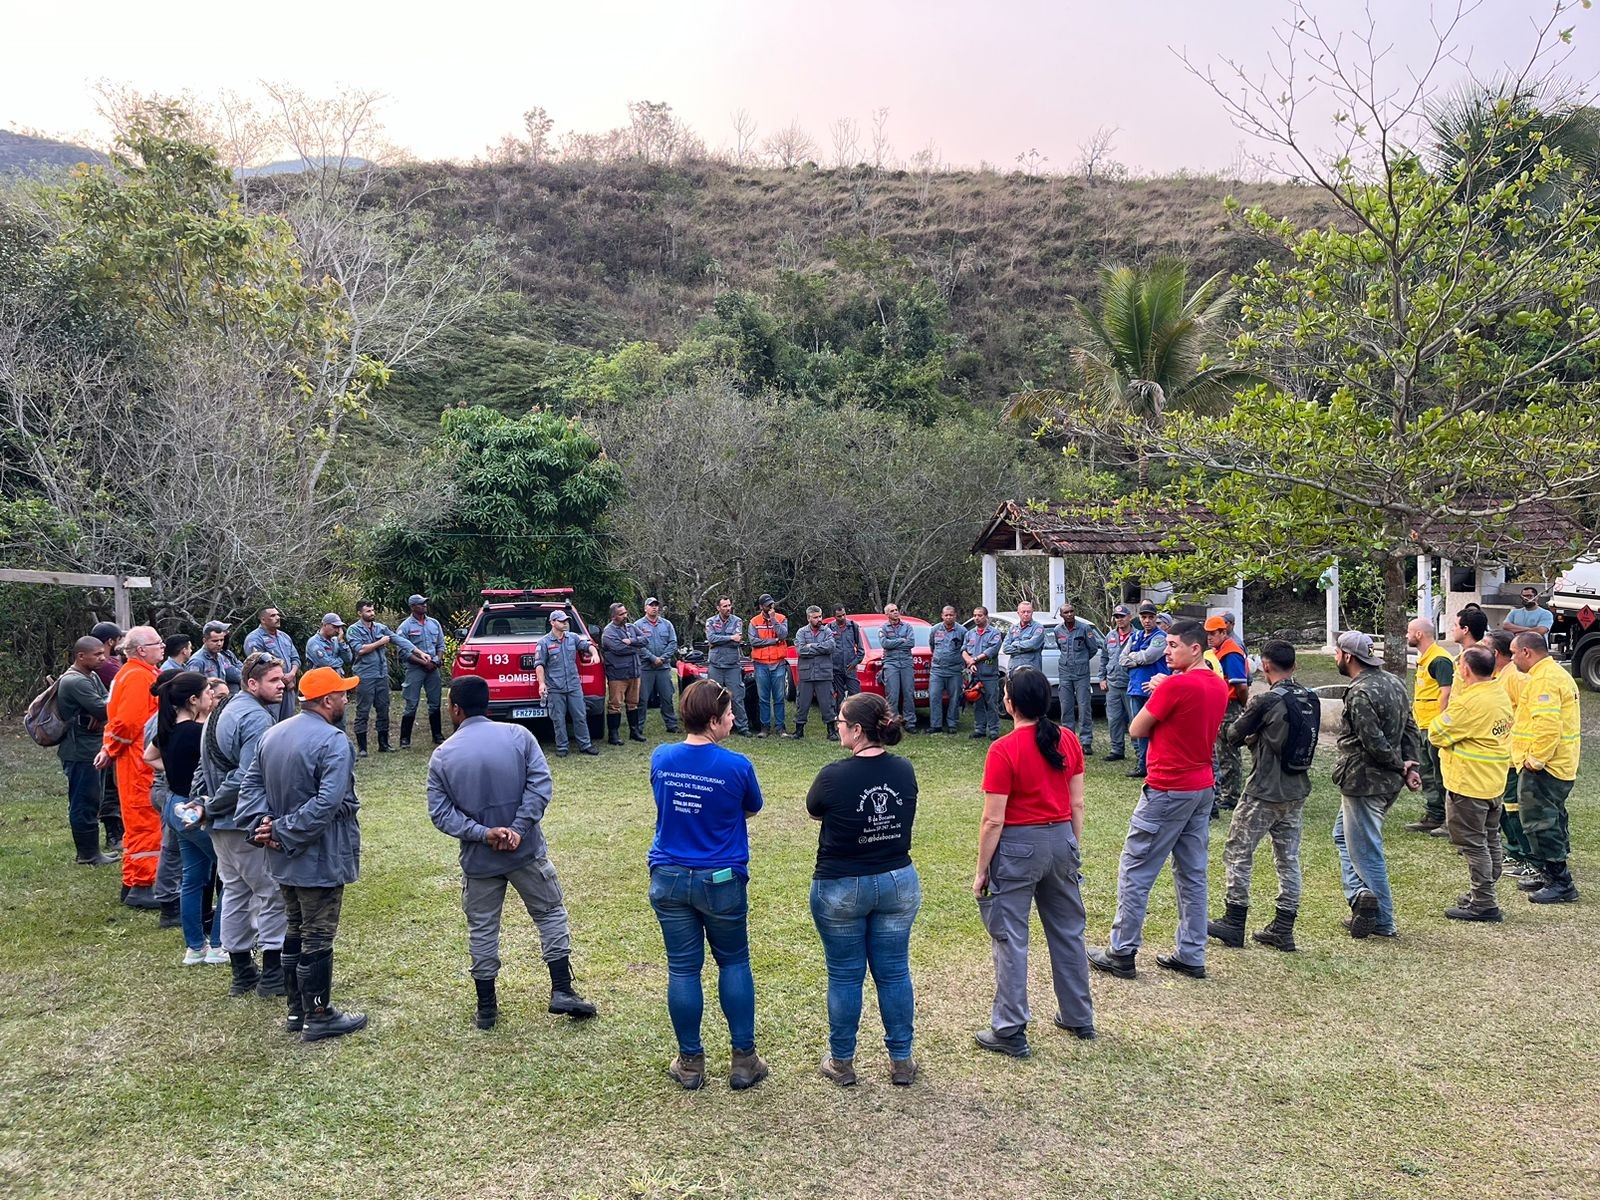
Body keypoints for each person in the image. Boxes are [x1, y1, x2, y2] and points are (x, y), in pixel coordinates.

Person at [427, 675, 598, 1029]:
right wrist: (518, 830)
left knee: (483, 928)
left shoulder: (443, 755)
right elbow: (540, 786)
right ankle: (562, 989)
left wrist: (483, 833)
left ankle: (487, 1007)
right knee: (550, 913)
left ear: (455, 709)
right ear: (487, 704)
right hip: (526, 853)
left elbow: (441, 813)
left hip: (479, 859)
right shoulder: (519, 737)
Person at [1089, 619, 1228, 981]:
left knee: (1136, 868)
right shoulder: (1216, 683)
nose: (1166, 652)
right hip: (1201, 786)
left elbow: (1136, 728)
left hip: (1168, 788)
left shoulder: (1174, 687)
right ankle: (1191, 953)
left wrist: (1159, 691)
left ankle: (1121, 950)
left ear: (1194, 648)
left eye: (1172, 646)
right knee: (1193, 873)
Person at [647, 680, 768, 1091]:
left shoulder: (661, 758)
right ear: (713, 721)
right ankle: (743, 1060)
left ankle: (691, 1062)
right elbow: (750, 807)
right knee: (733, 962)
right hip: (720, 879)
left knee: (683, 969)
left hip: (669, 876)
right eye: (730, 713)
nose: (734, 718)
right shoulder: (736, 766)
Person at [237, 667, 367, 1042]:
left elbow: (250, 787)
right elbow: (328, 802)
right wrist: (282, 830)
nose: (346, 699)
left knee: (295, 928)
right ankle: (319, 1014)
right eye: (342, 694)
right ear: (327, 700)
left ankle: (298, 1011)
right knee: (318, 935)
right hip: (318, 855)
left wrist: (264, 826)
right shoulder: (333, 741)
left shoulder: (272, 734)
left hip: (283, 858)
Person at [972, 668, 1093, 1057]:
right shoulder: (1069, 740)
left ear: (1009, 703)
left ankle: (1009, 1028)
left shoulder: (1003, 749)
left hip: (1019, 847)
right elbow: (1076, 803)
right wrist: (1071, 845)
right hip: (1061, 839)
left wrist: (981, 871)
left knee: (1010, 938)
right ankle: (1078, 1015)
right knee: (1068, 932)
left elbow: (994, 819)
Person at [805, 692, 921, 1086]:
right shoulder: (904, 770)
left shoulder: (833, 775)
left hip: (841, 885)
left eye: (840, 721)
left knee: (844, 975)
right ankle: (901, 1060)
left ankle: (841, 1062)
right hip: (896, 881)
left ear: (856, 730)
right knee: (893, 973)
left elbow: (814, 808)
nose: (837, 726)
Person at [1207, 640, 1314, 952]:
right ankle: (1284, 926)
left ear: (1264, 666)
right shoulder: (1310, 698)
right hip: (1296, 789)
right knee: (1288, 859)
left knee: (1238, 850)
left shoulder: (1266, 700)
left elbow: (1232, 735)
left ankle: (1233, 920)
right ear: (1294, 665)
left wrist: (1254, 734)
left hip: (1264, 790)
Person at [201, 651, 290, 1000]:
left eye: (282, 678)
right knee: (270, 893)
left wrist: (202, 803)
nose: (282, 684)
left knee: (235, 892)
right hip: (243, 821)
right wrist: (212, 805)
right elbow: (246, 776)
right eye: (274, 680)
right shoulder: (255, 719)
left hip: (221, 824)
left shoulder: (221, 709)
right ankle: (271, 973)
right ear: (252, 683)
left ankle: (241, 972)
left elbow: (203, 764)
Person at [1329, 631, 1422, 940]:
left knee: (1367, 851)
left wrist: (1400, 764)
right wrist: (1410, 765)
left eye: (1338, 653)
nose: (1336, 658)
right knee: (1342, 835)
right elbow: (1411, 727)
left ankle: (1381, 919)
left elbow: (1374, 742)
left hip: (1363, 781)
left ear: (1348, 657)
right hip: (1387, 781)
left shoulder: (1359, 692)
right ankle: (1360, 896)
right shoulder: (1394, 682)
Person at [145, 671, 227, 965]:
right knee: (229, 875)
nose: (211, 697)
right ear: (193, 700)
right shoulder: (199, 733)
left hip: (174, 806)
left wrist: (173, 770)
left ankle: (195, 947)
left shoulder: (167, 729)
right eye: (208, 692)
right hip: (196, 811)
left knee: (192, 878)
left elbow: (148, 757)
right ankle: (219, 944)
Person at [1427, 646, 1514, 922]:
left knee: (1474, 844)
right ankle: (1482, 892)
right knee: (1490, 838)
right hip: (1493, 783)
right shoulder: (1498, 693)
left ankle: (1484, 902)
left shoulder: (1468, 703)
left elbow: (1437, 733)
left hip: (1468, 785)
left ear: (1465, 670)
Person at [1509, 632, 1582, 903]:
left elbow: (1547, 726)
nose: (1512, 658)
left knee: (1542, 822)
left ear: (1527, 652)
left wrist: (1535, 760)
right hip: (1557, 762)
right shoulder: (1552, 674)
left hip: (1545, 766)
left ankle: (1560, 882)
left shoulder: (1545, 680)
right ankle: (1547, 873)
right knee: (1552, 817)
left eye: (1514, 653)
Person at [99, 625, 165, 909]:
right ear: (141, 650)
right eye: (157, 643)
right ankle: (143, 885)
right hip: (139, 762)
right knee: (145, 822)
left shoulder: (140, 673)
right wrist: (111, 749)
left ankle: (133, 881)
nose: (162, 647)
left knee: (142, 821)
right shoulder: (137, 676)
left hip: (139, 758)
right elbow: (127, 722)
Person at [57, 636, 116, 866]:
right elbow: (105, 708)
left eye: (103, 653)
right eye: (98, 654)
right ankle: (88, 854)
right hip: (80, 750)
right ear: (81, 656)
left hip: (91, 745)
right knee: (84, 801)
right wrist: (101, 711)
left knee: (94, 798)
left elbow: (107, 700)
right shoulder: (75, 681)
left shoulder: (90, 676)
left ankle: (91, 851)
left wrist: (102, 709)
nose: (103, 658)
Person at [1489, 631, 1534, 878]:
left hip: (1514, 754)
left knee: (1515, 808)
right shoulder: (1501, 676)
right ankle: (1516, 850)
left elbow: (1525, 713)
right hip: (1503, 753)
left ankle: (1528, 858)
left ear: (1495, 653)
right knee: (1506, 807)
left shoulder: (1515, 677)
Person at [1403, 617, 1454, 833]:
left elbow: (1447, 692)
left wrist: (1441, 722)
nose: (1406, 635)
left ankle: (1448, 820)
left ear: (1419, 635)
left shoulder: (1439, 659)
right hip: (1423, 724)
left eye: (1409, 632)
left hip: (1435, 726)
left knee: (1440, 773)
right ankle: (1434, 815)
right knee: (1427, 771)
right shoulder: (1424, 659)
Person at [347, 600, 414, 758]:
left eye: (372, 610)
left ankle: (383, 743)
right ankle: (362, 748)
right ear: (360, 613)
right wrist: (380, 642)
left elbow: (399, 640)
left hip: (381, 674)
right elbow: (360, 649)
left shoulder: (380, 628)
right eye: (368, 611)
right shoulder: (353, 630)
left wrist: (418, 652)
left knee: (383, 709)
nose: (372, 613)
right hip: (365, 675)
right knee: (363, 710)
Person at [534, 610, 599, 757]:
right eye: (561, 620)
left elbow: (587, 646)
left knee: (580, 716)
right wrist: (541, 684)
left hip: (573, 685)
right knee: (558, 719)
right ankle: (562, 747)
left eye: (566, 620)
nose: (565, 623)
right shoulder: (544, 642)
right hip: (555, 687)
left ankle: (585, 745)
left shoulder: (573, 638)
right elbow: (539, 665)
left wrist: (594, 653)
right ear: (552, 622)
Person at [1204, 616, 1251, 814]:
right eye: (1208, 633)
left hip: (1229, 706)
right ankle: (1226, 793)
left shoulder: (1231, 652)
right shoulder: (1219, 650)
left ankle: (1231, 796)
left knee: (1227, 752)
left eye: (1214, 633)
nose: (1209, 637)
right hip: (1221, 704)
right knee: (1220, 752)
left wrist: (1241, 704)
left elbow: (1240, 684)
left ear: (1224, 632)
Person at [1120, 602, 1170, 778]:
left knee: (1156, 729)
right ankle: (1143, 765)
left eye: (1151, 617)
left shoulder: (1161, 637)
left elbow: (1150, 657)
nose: (1147, 620)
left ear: (1156, 618)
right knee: (1139, 729)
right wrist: (1137, 658)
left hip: (1154, 688)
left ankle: (1157, 764)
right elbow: (1121, 659)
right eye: (1144, 617)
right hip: (1135, 688)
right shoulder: (1136, 636)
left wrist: (1134, 657)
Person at [89, 622, 126, 854]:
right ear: (111, 641)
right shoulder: (106, 666)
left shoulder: (109, 663)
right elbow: (112, 699)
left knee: (112, 786)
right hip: (109, 734)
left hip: (111, 730)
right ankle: (113, 834)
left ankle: (118, 832)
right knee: (110, 787)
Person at [1052, 602, 1105, 754]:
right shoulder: (1058, 630)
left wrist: (1081, 660)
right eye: (1066, 612)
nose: (1069, 614)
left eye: (1071, 611)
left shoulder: (1084, 628)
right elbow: (1060, 646)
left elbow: (1093, 648)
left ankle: (1086, 741)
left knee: (1084, 707)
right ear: (1061, 615)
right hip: (1064, 673)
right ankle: (1068, 741)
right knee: (1066, 707)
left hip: (1082, 673)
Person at [398, 595, 449, 749]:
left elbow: (441, 645)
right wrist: (423, 662)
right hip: (415, 669)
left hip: (433, 668)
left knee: (435, 702)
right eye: (421, 604)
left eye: (425, 603)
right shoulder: (405, 627)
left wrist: (437, 660)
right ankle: (404, 739)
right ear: (413, 607)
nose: (424, 606)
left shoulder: (434, 623)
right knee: (411, 703)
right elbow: (403, 652)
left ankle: (437, 735)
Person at [598, 602, 647, 745]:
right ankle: (614, 735)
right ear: (613, 616)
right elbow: (618, 649)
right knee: (615, 704)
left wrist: (631, 641)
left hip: (634, 671)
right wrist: (636, 647)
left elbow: (645, 640)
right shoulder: (609, 632)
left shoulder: (631, 627)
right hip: (617, 674)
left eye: (625, 612)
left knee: (633, 703)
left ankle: (634, 731)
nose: (625, 616)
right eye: (621, 614)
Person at [244, 605, 302, 722]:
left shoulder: (284, 637)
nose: (278, 617)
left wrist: (291, 674)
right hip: (270, 689)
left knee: (288, 723)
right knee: (271, 722)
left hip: (288, 687)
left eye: (278, 614)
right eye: (273, 615)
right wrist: (281, 679)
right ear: (263, 620)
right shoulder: (254, 638)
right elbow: (259, 664)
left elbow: (295, 658)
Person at [704, 597, 751, 737]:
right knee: (713, 697)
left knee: (737, 697)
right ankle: (712, 727)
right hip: (716, 665)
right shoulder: (711, 621)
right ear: (718, 608)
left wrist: (721, 640)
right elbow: (711, 638)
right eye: (724, 606)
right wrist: (729, 638)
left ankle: (743, 727)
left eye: (729, 605)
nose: (728, 608)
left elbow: (738, 641)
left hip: (732, 665)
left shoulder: (737, 621)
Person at [793, 607, 839, 741]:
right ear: (808, 618)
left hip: (824, 673)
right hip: (806, 673)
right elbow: (801, 651)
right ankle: (799, 731)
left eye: (820, 616)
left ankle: (831, 731)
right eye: (815, 617)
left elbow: (831, 647)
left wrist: (811, 646)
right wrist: (820, 647)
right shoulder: (801, 632)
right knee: (802, 702)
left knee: (828, 703)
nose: (819, 619)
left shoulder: (827, 631)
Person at [748, 593, 791, 738]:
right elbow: (754, 641)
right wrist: (773, 641)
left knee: (779, 697)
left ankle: (780, 727)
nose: (771, 607)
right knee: (763, 698)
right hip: (761, 664)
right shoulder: (754, 621)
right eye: (768, 605)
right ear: (761, 606)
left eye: (772, 604)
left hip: (778, 663)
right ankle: (764, 727)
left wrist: (773, 620)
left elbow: (783, 635)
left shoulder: (781, 618)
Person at [637, 597, 680, 735]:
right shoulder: (638, 625)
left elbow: (673, 643)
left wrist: (662, 658)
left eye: (656, 605)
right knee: (642, 699)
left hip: (663, 667)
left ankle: (671, 725)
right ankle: (638, 727)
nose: (654, 608)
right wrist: (652, 658)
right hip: (646, 668)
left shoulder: (667, 624)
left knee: (667, 697)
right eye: (651, 605)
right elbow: (638, 645)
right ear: (645, 608)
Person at [1100, 605, 1135, 762]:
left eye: (1122, 616)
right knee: (1114, 718)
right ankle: (1116, 749)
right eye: (1117, 617)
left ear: (1129, 617)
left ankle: (1139, 751)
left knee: (1134, 719)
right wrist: (1102, 678)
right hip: (1112, 683)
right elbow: (1104, 658)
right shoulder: (1110, 636)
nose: (1119, 619)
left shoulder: (1137, 636)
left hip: (1130, 683)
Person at [963, 607, 1004, 740]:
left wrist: (975, 659)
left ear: (986, 616)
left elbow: (992, 651)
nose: (976, 618)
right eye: (974, 615)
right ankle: (979, 729)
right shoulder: (969, 634)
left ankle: (993, 730)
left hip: (989, 675)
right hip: (975, 675)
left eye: (980, 615)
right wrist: (970, 662)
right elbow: (963, 650)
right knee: (977, 703)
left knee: (991, 703)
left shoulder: (994, 633)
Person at [879, 602, 918, 733]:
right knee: (892, 695)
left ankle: (910, 722)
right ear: (887, 614)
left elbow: (911, 643)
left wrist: (894, 643)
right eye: (892, 611)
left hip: (906, 663)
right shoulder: (883, 628)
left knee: (908, 693)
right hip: (891, 664)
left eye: (896, 610)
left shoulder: (907, 627)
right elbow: (884, 643)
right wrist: (901, 640)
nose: (896, 612)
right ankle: (893, 723)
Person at [928, 605, 966, 735]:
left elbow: (965, 650)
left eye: (951, 615)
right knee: (934, 696)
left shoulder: (962, 631)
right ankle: (936, 725)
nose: (948, 617)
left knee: (954, 698)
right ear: (942, 616)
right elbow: (932, 647)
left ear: (955, 615)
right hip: (937, 670)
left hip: (954, 670)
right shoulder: (935, 629)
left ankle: (952, 723)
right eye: (946, 615)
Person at [188, 621, 244, 693]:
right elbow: (192, 686)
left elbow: (235, 672)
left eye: (221, 640)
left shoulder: (220, 657)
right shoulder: (197, 661)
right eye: (215, 641)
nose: (219, 644)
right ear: (205, 641)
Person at [829, 605, 866, 710]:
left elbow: (861, 650)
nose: (842, 618)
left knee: (856, 696)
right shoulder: (829, 628)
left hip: (850, 668)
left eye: (844, 615)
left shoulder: (853, 626)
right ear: (834, 616)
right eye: (839, 616)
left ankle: (856, 719)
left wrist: (854, 663)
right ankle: (839, 721)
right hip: (836, 670)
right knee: (838, 697)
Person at [1000, 600, 1045, 674]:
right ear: (1018, 613)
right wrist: (1025, 648)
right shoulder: (1013, 628)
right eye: (1023, 612)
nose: (1026, 614)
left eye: (1028, 612)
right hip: (1014, 669)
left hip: (1031, 670)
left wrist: (1015, 644)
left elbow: (1033, 644)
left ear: (1032, 612)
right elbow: (1005, 648)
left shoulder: (1038, 627)